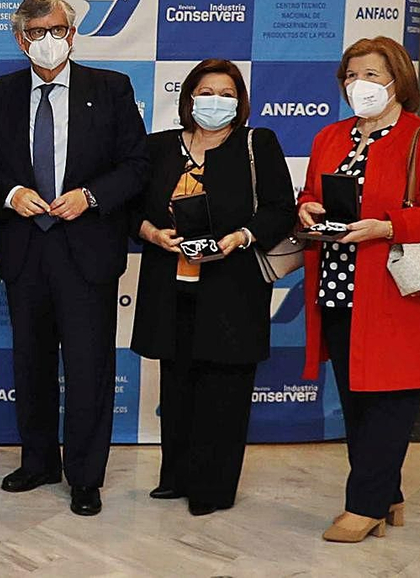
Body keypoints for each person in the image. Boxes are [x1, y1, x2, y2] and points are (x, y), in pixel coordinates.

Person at [0, 0, 148, 516]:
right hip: (26, 248)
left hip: (88, 248)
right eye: (35, 33)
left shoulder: (111, 88)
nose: (47, 41)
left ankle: (84, 474)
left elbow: (137, 164)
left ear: (72, 34)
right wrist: (8, 194)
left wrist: (91, 196)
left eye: (56, 30)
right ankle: (37, 462)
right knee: (29, 364)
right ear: (19, 39)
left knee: (88, 366)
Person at [298, 37, 420, 542]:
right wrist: (306, 206)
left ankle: (366, 505)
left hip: (398, 297)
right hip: (338, 288)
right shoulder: (330, 136)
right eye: (352, 75)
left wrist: (387, 226)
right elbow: (314, 193)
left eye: (373, 75)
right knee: (356, 401)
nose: (360, 85)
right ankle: (387, 494)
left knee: (388, 405)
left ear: (399, 81)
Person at [130, 59, 296, 516]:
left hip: (232, 288)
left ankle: (213, 488)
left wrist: (240, 238)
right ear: (188, 98)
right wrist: (150, 233)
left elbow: (282, 208)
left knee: (224, 392)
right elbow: (130, 207)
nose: (215, 101)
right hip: (171, 286)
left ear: (239, 102)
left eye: (226, 93)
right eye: (206, 92)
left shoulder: (256, 143)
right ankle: (176, 476)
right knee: (178, 385)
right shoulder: (159, 146)